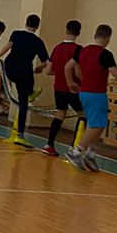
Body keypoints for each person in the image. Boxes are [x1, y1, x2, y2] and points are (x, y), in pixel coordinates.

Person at [64, 23, 117, 172]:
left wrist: (71, 82)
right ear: (108, 38)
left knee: (95, 123)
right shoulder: (105, 54)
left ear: (95, 35)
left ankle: (90, 153)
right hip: (96, 94)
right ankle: (77, 151)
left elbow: (67, 66)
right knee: (97, 125)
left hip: (84, 93)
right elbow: (116, 74)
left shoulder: (82, 51)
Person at [0, 14, 49, 147]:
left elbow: (8, 46)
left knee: (25, 80)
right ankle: (20, 135)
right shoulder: (38, 41)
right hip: (23, 72)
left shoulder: (16, 34)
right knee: (23, 102)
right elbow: (45, 62)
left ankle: (30, 92)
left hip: (9, 68)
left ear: (26, 23)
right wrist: (39, 68)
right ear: (37, 26)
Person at [43, 20, 83, 159]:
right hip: (73, 88)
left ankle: (49, 145)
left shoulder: (57, 48)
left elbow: (48, 70)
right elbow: (77, 71)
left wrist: (59, 73)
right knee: (83, 114)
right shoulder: (79, 49)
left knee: (60, 114)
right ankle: (74, 147)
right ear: (79, 32)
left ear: (66, 30)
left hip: (58, 87)